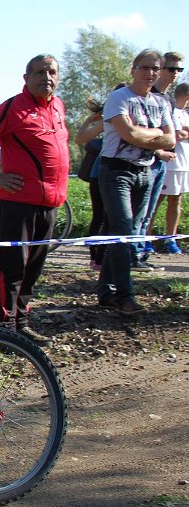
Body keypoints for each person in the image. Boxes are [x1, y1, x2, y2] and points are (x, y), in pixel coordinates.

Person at [0, 54, 70, 346]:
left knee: (34, 267)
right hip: (18, 201)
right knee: (13, 266)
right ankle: (5, 329)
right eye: (39, 72)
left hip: (50, 203)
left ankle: (21, 324)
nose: (46, 77)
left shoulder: (58, 106)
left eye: (52, 72)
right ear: (26, 78)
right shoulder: (14, 107)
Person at [96, 49, 175, 315]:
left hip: (145, 171)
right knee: (123, 231)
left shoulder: (161, 102)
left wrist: (146, 134)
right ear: (133, 69)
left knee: (128, 232)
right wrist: (156, 133)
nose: (150, 73)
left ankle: (106, 292)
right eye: (145, 67)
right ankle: (124, 297)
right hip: (116, 171)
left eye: (155, 68)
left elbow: (171, 140)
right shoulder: (119, 97)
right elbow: (128, 134)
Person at [135, 51, 182, 266]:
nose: (175, 73)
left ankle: (141, 251)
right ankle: (134, 252)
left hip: (162, 163)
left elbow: (169, 134)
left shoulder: (168, 99)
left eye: (179, 70)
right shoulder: (146, 94)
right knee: (141, 211)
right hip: (145, 162)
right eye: (171, 69)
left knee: (148, 211)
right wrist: (158, 150)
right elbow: (138, 133)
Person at [75, 97, 107, 270]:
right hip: (100, 173)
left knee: (107, 217)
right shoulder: (108, 120)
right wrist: (88, 121)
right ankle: (96, 258)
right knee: (100, 216)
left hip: (122, 171)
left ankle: (102, 257)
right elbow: (79, 139)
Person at [157, 82, 189, 254]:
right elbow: (175, 134)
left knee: (176, 200)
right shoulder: (171, 111)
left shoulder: (185, 114)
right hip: (170, 164)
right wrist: (182, 133)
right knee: (157, 200)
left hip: (183, 164)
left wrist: (185, 132)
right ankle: (145, 239)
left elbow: (184, 134)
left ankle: (171, 239)